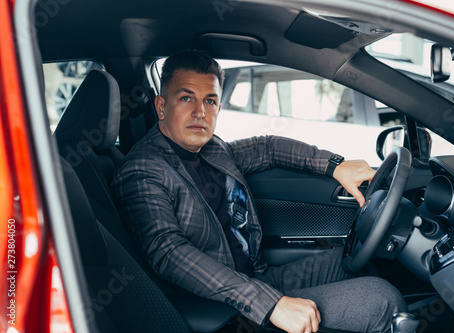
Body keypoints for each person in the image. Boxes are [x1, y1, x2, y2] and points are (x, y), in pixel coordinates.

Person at [111, 50, 408, 333]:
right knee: (381, 302)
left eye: (210, 101)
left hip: (257, 277)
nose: (200, 112)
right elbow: (169, 253)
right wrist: (270, 304)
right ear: (162, 106)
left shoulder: (212, 148)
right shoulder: (143, 170)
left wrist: (335, 166)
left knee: (359, 262)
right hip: (222, 309)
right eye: (186, 97)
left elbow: (267, 148)